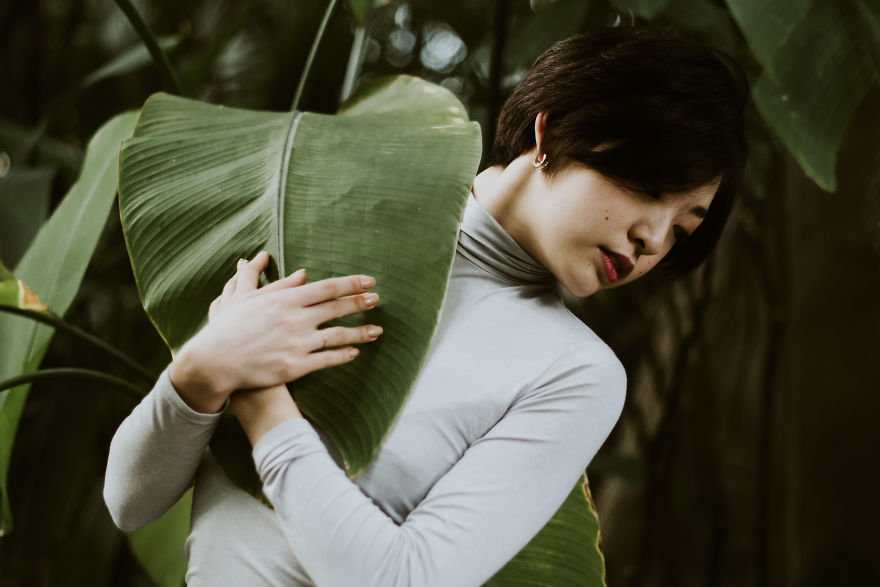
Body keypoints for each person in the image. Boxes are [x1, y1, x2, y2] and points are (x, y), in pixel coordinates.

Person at [104, 26, 747, 586]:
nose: (653, 239)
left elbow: (402, 579)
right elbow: (129, 502)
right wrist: (205, 367)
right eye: (649, 187)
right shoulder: (328, 213)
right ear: (551, 131)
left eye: (683, 229)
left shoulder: (576, 371)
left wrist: (262, 400)